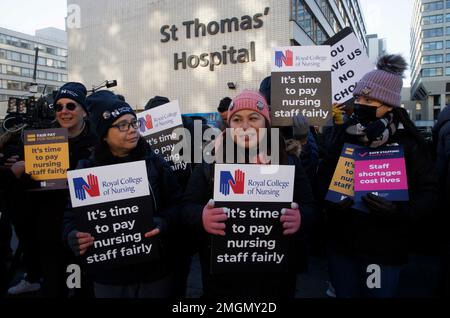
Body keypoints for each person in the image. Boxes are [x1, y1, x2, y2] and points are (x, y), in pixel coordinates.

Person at [316, 54, 438, 298]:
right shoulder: (345, 134)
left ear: (389, 105)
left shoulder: (408, 142)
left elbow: (430, 192)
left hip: (384, 248)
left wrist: (398, 212)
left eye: (369, 99)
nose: (360, 103)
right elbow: (323, 178)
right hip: (342, 245)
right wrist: (331, 202)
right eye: (359, 97)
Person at [182, 90, 316, 298]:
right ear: (229, 125)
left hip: (275, 278)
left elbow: (310, 207)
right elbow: (187, 206)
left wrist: (300, 218)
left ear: (266, 123)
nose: (245, 127)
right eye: (237, 119)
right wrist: (202, 217)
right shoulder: (211, 162)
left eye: (253, 118)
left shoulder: (287, 161)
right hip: (222, 280)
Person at [63, 93, 182, 298]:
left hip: (155, 271)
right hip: (109, 276)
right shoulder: (86, 170)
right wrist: (72, 236)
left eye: (134, 124)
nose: (133, 130)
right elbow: (70, 218)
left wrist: (163, 223)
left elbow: (177, 205)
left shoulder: (155, 163)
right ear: (104, 134)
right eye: (122, 125)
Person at [7, 82, 98, 297]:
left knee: (81, 288)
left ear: (83, 110)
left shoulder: (97, 143)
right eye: (59, 107)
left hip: (82, 229)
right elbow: (22, 188)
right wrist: (21, 168)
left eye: (70, 106)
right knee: (54, 287)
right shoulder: (42, 140)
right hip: (49, 231)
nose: (64, 111)